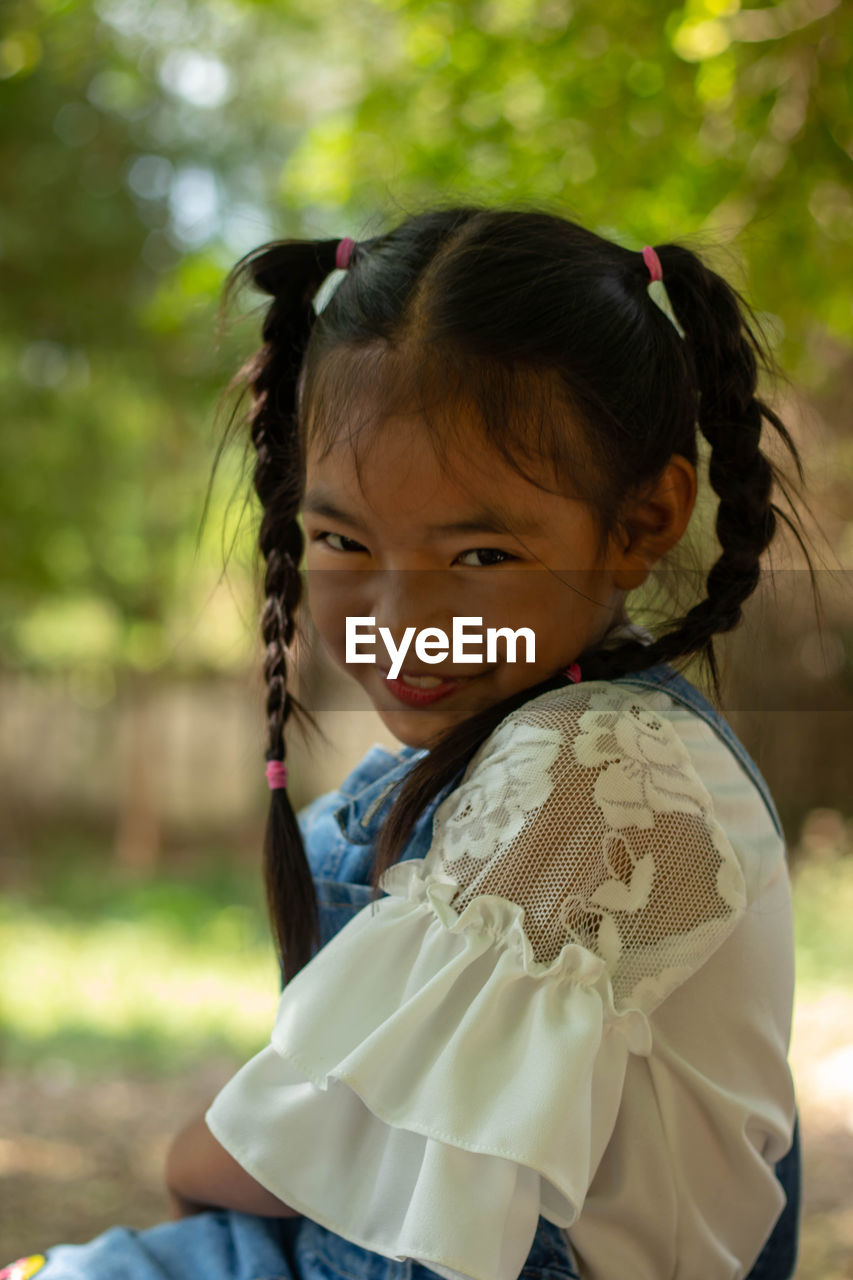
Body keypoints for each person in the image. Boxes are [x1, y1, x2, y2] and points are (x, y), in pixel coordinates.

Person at [4, 205, 813, 1280]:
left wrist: (189, 1157)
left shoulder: (614, 781)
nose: (399, 615)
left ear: (643, 519)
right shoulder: (514, 750)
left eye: (478, 553)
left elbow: (302, 1142)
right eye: (341, 539)